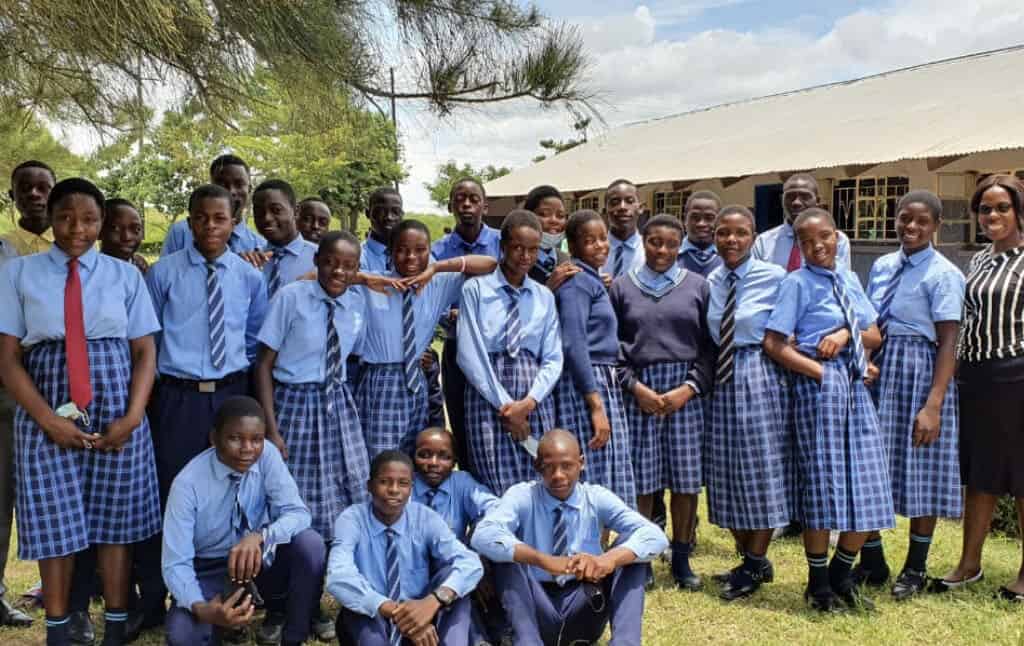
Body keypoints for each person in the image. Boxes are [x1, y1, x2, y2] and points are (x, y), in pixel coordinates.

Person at [0, 178, 162, 646]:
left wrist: (132, 418)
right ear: (50, 217)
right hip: (44, 406)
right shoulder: (19, 273)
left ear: (102, 223)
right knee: (55, 521)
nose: (77, 228)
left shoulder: (124, 275)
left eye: (89, 219)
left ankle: (114, 626)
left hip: (115, 403)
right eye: (66, 217)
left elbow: (145, 351)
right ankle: (58, 630)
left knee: (117, 520)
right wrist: (48, 420)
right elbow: (7, 357)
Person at [140, 184, 269, 633]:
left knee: (231, 490)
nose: (210, 226)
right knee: (170, 490)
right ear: (189, 221)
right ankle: (159, 598)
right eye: (201, 218)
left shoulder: (250, 276)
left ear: (234, 222)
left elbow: (254, 338)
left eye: (220, 218)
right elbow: (150, 339)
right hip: (178, 395)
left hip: (230, 392)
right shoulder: (164, 273)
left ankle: (232, 600)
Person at [762, 207, 892, 611]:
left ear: (838, 237)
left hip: (854, 388)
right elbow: (774, 343)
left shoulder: (849, 278)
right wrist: (820, 373)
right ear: (799, 247)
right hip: (818, 390)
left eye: (825, 237)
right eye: (807, 241)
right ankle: (818, 583)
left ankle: (841, 571)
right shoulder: (796, 284)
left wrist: (841, 333)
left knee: (869, 483)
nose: (818, 246)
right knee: (822, 483)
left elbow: (872, 332)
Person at [853, 191, 965, 600]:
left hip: (921, 368)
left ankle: (915, 567)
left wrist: (933, 404)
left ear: (936, 226)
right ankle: (872, 558)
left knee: (922, 464)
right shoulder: (883, 265)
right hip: (879, 368)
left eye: (921, 221)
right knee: (867, 462)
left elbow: (949, 341)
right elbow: (868, 320)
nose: (911, 227)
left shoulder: (944, 273)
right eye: (904, 219)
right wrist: (863, 360)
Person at [471, 429, 667, 646]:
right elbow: (483, 535)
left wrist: (606, 560)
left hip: (586, 603)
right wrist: (544, 560)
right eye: (549, 467)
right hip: (535, 607)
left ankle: (625, 642)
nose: (558, 475)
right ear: (537, 466)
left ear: (581, 463)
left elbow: (655, 536)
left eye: (567, 466)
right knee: (507, 552)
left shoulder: (595, 497)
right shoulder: (523, 495)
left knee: (633, 549)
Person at [161, 396, 326, 646]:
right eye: (235, 438)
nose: (247, 448)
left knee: (310, 544)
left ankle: (293, 636)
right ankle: (219, 623)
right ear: (214, 438)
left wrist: (260, 536)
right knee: (183, 636)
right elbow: (175, 563)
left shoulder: (267, 455)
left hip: (258, 558)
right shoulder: (187, 485)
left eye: (256, 439)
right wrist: (203, 608)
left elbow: (298, 513)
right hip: (209, 567)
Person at [609, 214, 713, 591]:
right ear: (643, 242)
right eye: (654, 242)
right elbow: (610, 346)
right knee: (643, 480)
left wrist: (689, 388)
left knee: (685, 481)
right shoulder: (621, 287)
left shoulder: (699, 287)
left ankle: (682, 558)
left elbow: (710, 347)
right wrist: (635, 388)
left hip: (684, 394)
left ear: (680, 245)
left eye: (671, 243)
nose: (662, 250)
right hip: (640, 392)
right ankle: (644, 555)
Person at [932, 175, 1024, 601]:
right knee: (980, 473)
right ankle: (969, 562)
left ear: (1018, 211)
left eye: (1002, 207)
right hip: (976, 378)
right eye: (985, 209)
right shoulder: (981, 260)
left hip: (1017, 377)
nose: (992, 216)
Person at [704, 206, 790, 601]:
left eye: (740, 233)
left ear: (754, 236)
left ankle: (755, 560)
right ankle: (750, 557)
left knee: (761, 467)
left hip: (759, 373)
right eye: (724, 233)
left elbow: (794, 327)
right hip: (721, 379)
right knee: (725, 470)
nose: (731, 240)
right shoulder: (712, 280)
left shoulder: (775, 278)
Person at [355, 220, 496, 458]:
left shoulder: (438, 283)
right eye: (402, 249)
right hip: (380, 382)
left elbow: (490, 265)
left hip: (416, 381)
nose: (411, 257)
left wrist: (437, 268)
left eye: (420, 250)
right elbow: (312, 277)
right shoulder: (374, 283)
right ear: (390, 251)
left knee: (414, 454)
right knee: (380, 458)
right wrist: (365, 279)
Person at [327, 450, 484, 646]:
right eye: (384, 482)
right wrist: (402, 614)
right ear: (370, 486)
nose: (394, 490)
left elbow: (470, 562)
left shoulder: (424, 517)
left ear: (411, 488)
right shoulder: (352, 519)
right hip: (373, 613)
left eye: (402, 483)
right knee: (360, 612)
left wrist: (433, 601)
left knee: (453, 583)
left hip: (423, 614)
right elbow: (339, 576)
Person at [458, 210, 563, 495]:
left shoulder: (544, 296)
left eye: (533, 249)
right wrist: (507, 407)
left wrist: (527, 404)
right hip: (489, 395)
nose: (525, 256)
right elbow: (470, 354)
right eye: (518, 247)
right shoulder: (475, 290)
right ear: (502, 247)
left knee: (538, 472)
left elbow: (553, 357)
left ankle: (537, 538)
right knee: (493, 476)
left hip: (533, 395)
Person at [0, 159, 56, 630]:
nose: (35, 195)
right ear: (13, 195)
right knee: (2, 499)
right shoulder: (4, 249)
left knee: (54, 495)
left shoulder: (77, 245)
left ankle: (61, 591)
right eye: (26, 188)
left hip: (63, 393)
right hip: (9, 392)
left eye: (44, 187)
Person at [554, 210, 636, 508]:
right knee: (595, 470)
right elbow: (574, 344)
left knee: (607, 468)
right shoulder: (576, 282)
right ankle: (590, 547)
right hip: (587, 382)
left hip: (602, 378)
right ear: (573, 247)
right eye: (590, 240)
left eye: (603, 238)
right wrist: (595, 405)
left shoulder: (591, 279)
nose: (600, 245)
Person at [433, 178, 502, 472]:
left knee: (500, 422)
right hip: (457, 348)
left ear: (485, 205)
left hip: (499, 351)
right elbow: (430, 296)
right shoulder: (437, 250)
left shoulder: (502, 241)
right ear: (450, 206)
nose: (466, 205)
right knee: (462, 426)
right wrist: (447, 314)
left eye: (474, 199)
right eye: (460, 199)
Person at [160, 154, 266, 257]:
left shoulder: (260, 247)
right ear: (211, 187)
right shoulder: (180, 233)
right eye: (222, 184)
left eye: (239, 184)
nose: (231, 191)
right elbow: (165, 272)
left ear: (249, 189)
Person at [752, 173, 852, 271]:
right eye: (790, 197)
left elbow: (841, 281)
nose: (796, 203)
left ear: (817, 201)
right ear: (781, 200)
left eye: (805, 196)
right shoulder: (763, 243)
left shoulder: (837, 240)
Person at [251, 179, 316, 298]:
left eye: (276, 210)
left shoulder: (320, 259)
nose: (266, 218)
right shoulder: (251, 260)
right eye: (259, 211)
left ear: (296, 211)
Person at [522, 185, 576, 288]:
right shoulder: (518, 262)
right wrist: (549, 288)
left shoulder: (566, 260)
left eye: (560, 216)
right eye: (544, 214)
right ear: (527, 216)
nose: (554, 220)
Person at [601, 179, 646, 280]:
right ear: (605, 211)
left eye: (629, 201)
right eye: (614, 202)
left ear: (641, 208)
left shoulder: (650, 251)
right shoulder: (592, 251)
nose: (622, 207)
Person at [677, 191, 723, 277]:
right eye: (695, 217)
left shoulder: (730, 257)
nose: (701, 224)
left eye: (709, 218)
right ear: (684, 219)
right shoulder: (670, 256)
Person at [99, 198, 149, 273]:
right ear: (99, 231)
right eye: (116, 228)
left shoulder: (142, 269)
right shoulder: (87, 273)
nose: (127, 237)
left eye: (136, 229)